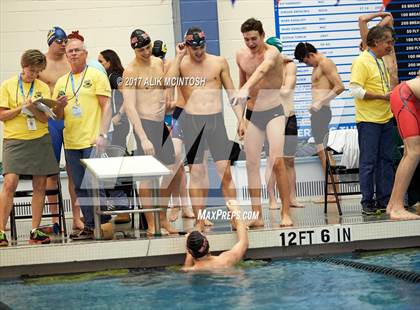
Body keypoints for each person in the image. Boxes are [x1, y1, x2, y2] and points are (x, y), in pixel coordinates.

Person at [166, 26, 241, 232]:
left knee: (225, 172)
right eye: (193, 48)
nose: (198, 52)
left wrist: (241, 119)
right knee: (196, 172)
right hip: (192, 123)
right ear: (187, 46)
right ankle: (200, 219)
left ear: (205, 44)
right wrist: (179, 56)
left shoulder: (218, 62)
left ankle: (235, 217)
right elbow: (168, 83)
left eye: (201, 47)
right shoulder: (180, 64)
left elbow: (232, 93)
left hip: (215, 122)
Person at [53, 31, 113, 240]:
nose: (73, 54)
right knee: (79, 186)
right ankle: (89, 224)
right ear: (66, 56)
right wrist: (59, 107)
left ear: (85, 53)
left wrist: (103, 135)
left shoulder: (96, 75)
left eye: (77, 50)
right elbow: (58, 116)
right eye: (70, 51)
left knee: (94, 184)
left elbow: (107, 107)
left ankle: (103, 223)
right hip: (71, 142)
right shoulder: (61, 82)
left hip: (92, 139)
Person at [236, 18, 292, 227]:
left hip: (274, 112)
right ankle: (257, 216)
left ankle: (286, 213)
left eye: (254, 38)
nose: (250, 43)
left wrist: (245, 88)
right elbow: (243, 82)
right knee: (251, 165)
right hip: (252, 114)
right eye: (246, 39)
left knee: (277, 162)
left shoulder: (273, 54)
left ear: (262, 35)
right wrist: (240, 118)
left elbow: (261, 70)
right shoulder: (241, 55)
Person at [0, 49, 59, 246]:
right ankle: (1, 231)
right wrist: (22, 108)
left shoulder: (42, 87)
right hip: (14, 140)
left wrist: (35, 108)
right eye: (31, 70)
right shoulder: (7, 86)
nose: (33, 74)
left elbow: (45, 118)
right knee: (10, 182)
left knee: (40, 185)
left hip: (39, 138)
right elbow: (2, 115)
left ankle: (35, 230)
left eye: (37, 71)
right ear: (23, 66)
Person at [122, 29, 177, 235]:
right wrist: (143, 137)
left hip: (159, 122)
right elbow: (130, 107)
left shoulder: (157, 63)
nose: (146, 52)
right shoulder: (130, 71)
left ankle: (161, 216)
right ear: (134, 49)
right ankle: (152, 224)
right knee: (148, 176)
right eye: (141, 49)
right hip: (143, 125)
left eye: (147, 47)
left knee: (173, 170)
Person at [38, 26, 84, 234]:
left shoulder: (70, 62)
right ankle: (57, 220)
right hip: (50, 122)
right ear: (50, 42)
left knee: (74, 170)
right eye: (60, 41)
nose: (64, 45)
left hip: (70, 119)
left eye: (66, 41)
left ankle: (76, 217)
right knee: (51, 172)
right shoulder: (41, 63)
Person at [349, 25, 395, 215]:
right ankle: (367, 202)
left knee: (387, 161)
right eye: (388, 42)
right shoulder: (362, 61)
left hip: (386, 118)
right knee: (369, 162)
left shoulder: (380, 60)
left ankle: (385, 200)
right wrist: (383, 97)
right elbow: (355, 91)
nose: (391, 46)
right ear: (376, 42)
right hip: (368, 121)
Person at [294, 42, 345, 204]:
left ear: (310, 55)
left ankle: (333, 192)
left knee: (323, 152)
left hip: (322, 113)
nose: (306, 65)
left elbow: (340, 87)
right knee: (323, 152)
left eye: (305, 61)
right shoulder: (318, 66)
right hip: (318, 114)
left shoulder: (325, 63)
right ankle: (333, 191)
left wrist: (319, 103)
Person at [151, 40, 195, 222]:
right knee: (174, 167)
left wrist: (166, 106)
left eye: (161, 58)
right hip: (158, 122)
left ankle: (182, 205)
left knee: (177, 164)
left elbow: (173, 102)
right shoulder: (151, 71)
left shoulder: (171, 67)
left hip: (173, 118)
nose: (160, 62)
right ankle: (178, 204)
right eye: (156, 58)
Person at [265, 37, 303, 209]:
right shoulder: (263, 67)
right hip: (270, 118)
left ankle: (291, 198)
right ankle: (272, 199)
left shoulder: (290, 65)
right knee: (272, 161)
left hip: (288, 117)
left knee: (289, 160)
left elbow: (286, 91)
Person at [386, 72, 420, 220]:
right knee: (414, 153)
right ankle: (398, 208)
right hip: (405, 96)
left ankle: (393, 204)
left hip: (406, 96)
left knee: (409, 153)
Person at [182, 200, 248, 271]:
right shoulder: (225, 261)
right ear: (207, 242)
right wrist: (236, 211)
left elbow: (186, 269)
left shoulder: (191, 270)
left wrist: (189, 252)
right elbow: (243, 242)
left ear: (190, 251)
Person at [98, 49, 129, 150]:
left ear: (109, 62)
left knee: (116, 158)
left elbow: (128, 95)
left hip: (118, 123)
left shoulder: (114, 76)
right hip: (112, 123)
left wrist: (118, 116)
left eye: (100, 62)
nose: (98, 64)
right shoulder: (106, 77)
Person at [358, 12, 398, 89]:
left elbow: (388, 17)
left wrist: (374, 32)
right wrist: (373, 34)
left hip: (394, 97)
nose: (390, 43)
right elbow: (362, 19)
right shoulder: (369, 49)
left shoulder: (389, 49)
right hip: (379, 97)